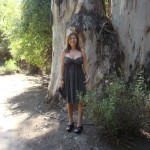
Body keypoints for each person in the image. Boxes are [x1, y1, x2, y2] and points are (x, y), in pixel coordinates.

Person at [60, 32, 90, 134]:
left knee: (80, 101)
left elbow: (85, 65)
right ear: (68, 40)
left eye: (74, 38)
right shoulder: (64, 52)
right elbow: (62, 66)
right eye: (71, 38)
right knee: (69, 101)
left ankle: (79, 124)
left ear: (77, 40)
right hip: (68, 78)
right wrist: (61, 79)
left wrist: (88, 75)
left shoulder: (82, 51)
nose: (73, 40)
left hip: (80, 78)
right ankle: (70, 122)